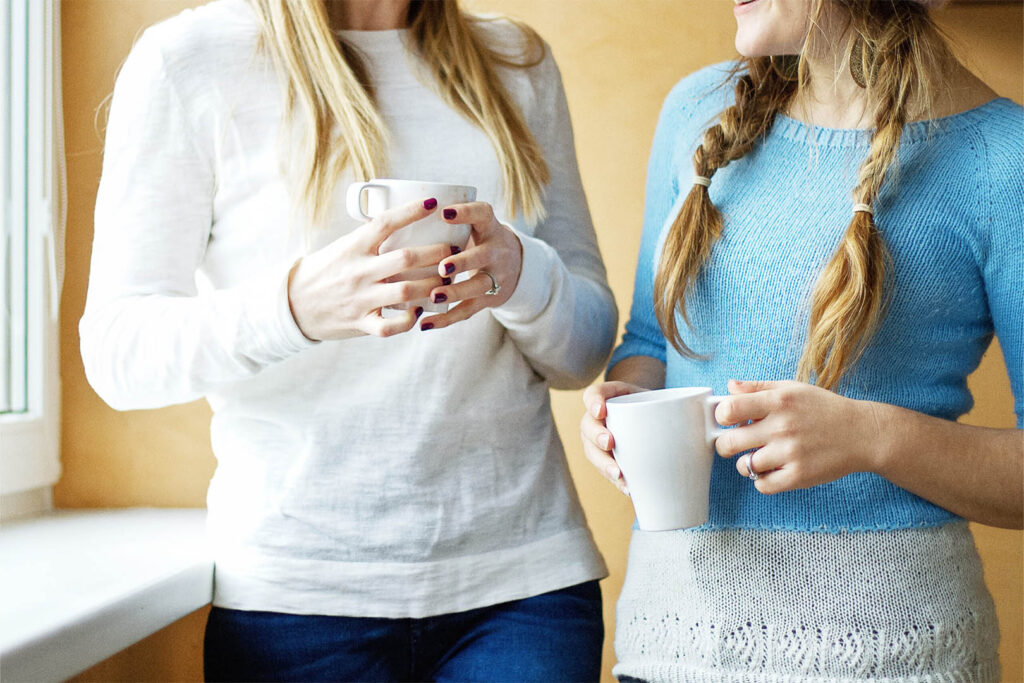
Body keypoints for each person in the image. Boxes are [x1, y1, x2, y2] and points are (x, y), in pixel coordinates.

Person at [80, 0, 616, 680]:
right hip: (296, 603)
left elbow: (585, 350)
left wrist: (521, 274)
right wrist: (295, 306)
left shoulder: (516, 62)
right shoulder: (187, 62)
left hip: (524, 589)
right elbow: (118, 351)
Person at [580, 0, 1022, 680]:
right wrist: (620, 406)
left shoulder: (1003, 159)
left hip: (896, 659)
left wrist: (872, 436)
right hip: (668, 648)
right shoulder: (696, 111)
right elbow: (649, 341)